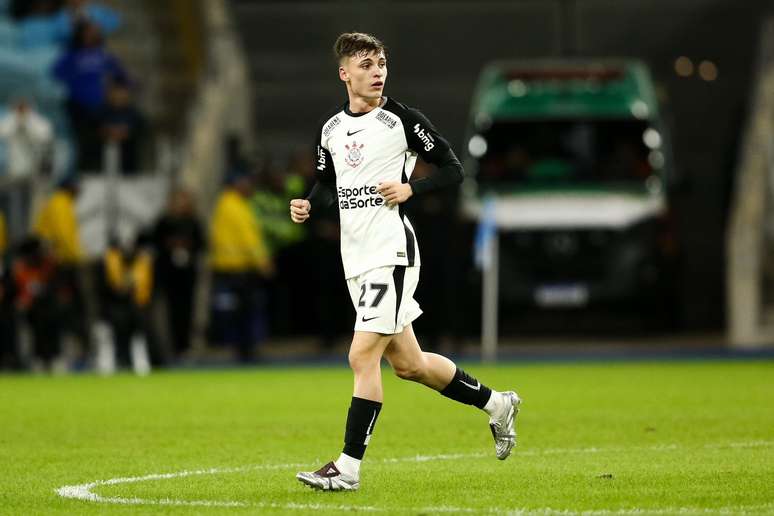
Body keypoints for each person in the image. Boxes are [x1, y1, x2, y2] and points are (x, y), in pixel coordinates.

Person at [290, 32, 521, 492]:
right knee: (410, 365)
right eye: (367, 64)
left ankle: (348, 467)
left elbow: (454, 168)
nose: (377, 72)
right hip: (355, 256)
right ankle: (498, 404)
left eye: (381, 64)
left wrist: (412, 189)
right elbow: (325, 179)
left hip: (390, 251)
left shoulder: (401, 120)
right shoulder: (331, 129)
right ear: (345, 73)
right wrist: (308, 204)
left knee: (361, 355)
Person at [209, 171, 273, 362]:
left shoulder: (224, 204)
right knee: (245, 311)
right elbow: (249, 238)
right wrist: (263, 262)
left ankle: (241, 349)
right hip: (239, 269)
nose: (250, 187)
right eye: (246, 183)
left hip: (227, 268)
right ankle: (246, 351)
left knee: (236, 311)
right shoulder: (235, 206)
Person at [152, 189, 204, 358]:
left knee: (188, 309)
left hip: (187, 272)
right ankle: (172, 347)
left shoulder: (193, 221)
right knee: (170, 310)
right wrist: (171, 245)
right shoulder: (164, 222)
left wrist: (187, 246)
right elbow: (155, 242)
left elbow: (202, 243)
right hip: (169, 272)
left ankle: (186, 346)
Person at [0, 98, 53, 178]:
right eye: (19, 107)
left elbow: (45, 135)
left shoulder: (37, 120)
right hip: (14, 165)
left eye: (24, 107)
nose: (22, 110)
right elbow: (3, 132)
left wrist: (28, 123)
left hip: (36, 165)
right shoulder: (10, 120)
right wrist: (17, 122)